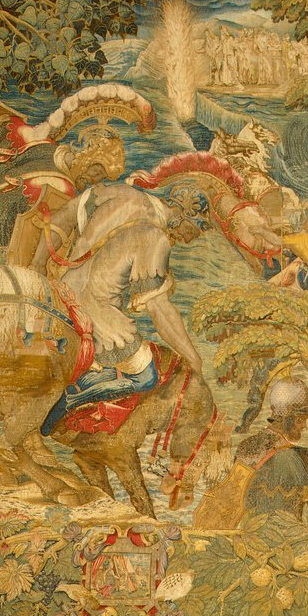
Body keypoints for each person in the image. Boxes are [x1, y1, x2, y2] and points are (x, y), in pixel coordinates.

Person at [33, 181, 208, 435]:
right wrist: (193, 359)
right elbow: (159, 309)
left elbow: (64, 215)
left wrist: (38, 264)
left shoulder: (121, 193)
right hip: (94, 311)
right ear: (184, 213)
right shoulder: (155, 237)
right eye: (195, 229)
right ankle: (71, 398)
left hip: (62, 292)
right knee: (146, 377)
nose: (191, 238)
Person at [233, 373, 308, 522]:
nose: (304, 425)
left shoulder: (244, 447)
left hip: (249, 528)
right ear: (286, 416)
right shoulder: (301, 456)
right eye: (300, 419)